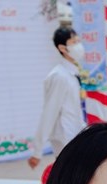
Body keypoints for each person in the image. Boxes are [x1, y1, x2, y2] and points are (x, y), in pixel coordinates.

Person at [28, 27, 86, 170]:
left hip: (75, 134)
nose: (78, 45)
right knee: (69, 174)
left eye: (78, 41)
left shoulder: (71, 74)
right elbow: (49, 112)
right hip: (64, 137)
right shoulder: (59, 76)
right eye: (74, 42)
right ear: (62, 48)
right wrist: (37, 151)